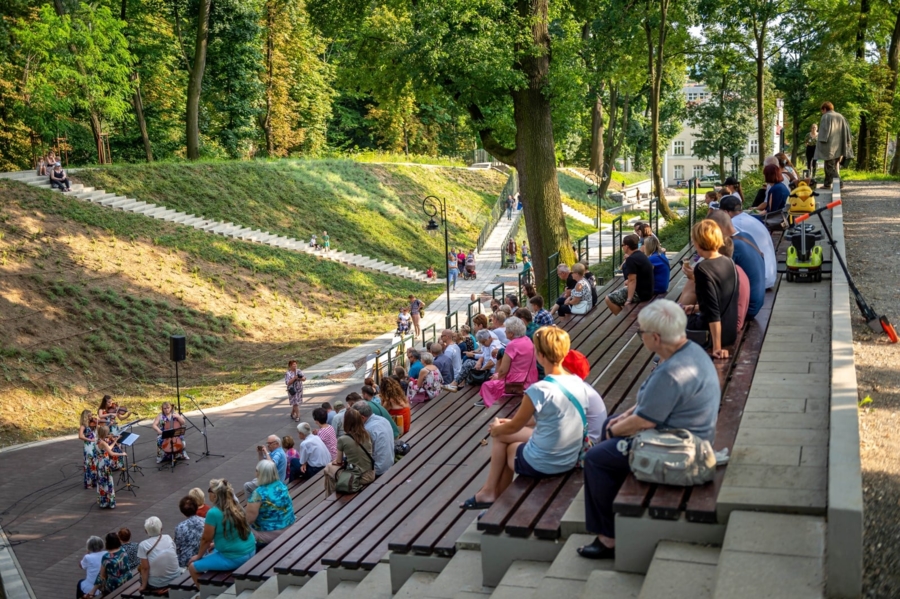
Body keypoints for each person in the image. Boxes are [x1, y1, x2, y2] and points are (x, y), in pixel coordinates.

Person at [578, 300, 720, 560]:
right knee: (611, 428)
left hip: (679, 447)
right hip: (692, 434)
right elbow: (650, 404)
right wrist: (620, 419)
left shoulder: (671, 372)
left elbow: (646, 420)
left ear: (655, 337)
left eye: (640, 332)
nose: (640, 335)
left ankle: (608, 538)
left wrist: (612, 431)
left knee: (596, 459)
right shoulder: (690, 352)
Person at [460, 327, 593, 509]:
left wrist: (498, 428)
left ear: (540, 355)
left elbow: (514, 427)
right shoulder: (579, 383)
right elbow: (549, 417)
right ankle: (492, 495)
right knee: (509, 441)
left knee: (503, 439)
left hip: (548, 462)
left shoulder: (539, 390)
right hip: (570, 456)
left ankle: (490, 493)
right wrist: (507, 424)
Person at [682, 221, 739, 357]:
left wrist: (717, 347)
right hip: (730, 331)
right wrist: (695, 308)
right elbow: (722, 300)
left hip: (710, 335)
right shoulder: (729, 261)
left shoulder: (702, 268)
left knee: (667, 322)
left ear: (698, 242)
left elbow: (713, 312)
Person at [188, 479, 256, 585]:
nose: (208, 492)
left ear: (215, 495)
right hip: (251, 549)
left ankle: (204, 595)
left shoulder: (213, 513)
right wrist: (215, 544)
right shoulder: (235, 505)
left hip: (235, 557)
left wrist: (198, 556)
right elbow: (234, 530)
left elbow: (206, 539)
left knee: (192, 567)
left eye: (209, 490)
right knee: (213, 550)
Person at [706, 210, 765, 320]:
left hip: (748, 308)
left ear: (718, 228)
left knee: (696, 284)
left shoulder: (734, 246)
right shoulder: (746, 236)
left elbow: (718, 277)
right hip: (757, 303)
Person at [476, 317, 538, 408]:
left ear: (511, 333)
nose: (504, 332)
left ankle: (490, 402)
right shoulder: (527, 340)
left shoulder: (512, 345)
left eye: (506, 330)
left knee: (487, 385)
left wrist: (497, 376)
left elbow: (503, 371)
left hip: (517, 382)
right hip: (530, 378)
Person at [719, 196, 777, 290]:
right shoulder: (749, 219)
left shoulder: (734, 223)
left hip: (759, 281)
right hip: (768, 276)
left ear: (726, 212)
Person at [324, 409, 376, 496]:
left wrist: (335, 462)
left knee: (328, 468)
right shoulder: (367, 434)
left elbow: (339, 461)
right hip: (370, 474)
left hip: (357, 477)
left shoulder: (343, 439)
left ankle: (330, 496)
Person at [246, 460, 296, 545]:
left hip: (268, 534)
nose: (255, 473)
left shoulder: (258, 493)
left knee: (235, 529)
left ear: (261, 473)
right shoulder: (281, 485)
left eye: (257, 471)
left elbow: (248, 520)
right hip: (289, 526)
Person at [605, 235, 653, 316]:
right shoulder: (641, 255)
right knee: (623, 289)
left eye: (622, 245)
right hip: (649, 291)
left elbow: (632, 280)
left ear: (627, 246)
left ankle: (622, 319)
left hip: (640, 294)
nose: (622, 247)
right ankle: (626, 315)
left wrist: (629, 300)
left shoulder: (631, 259)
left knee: (608, 298)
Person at [137, 517, 183, 594]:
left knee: (140, 577)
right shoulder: (168, 538)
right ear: (161, 529)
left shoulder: (143, 545)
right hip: (175, 577)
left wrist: (143, 586)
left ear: (146, 531)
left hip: (157, 584)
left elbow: (145, 568)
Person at [814, 101, 853, 189]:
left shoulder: (826, 116)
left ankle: (839, 183)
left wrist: (820, 145)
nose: (822, 112)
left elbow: (824, 133)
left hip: (829, 146)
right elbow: (847, 132)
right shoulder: (840, 116)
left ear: (824, 109)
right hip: (840, 146)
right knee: (831, 165)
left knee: (830, 166)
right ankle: (827, 184)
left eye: (822, 110)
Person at [352, 402, 395, 476]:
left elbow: (360, 455)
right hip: (389, 463)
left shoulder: (367, 430)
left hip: (377, 470)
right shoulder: (383, 420)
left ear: (362, 418)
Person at [719, 238, 750, 332]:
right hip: (737, 320)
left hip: (730, 326)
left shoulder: (723, 273)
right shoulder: (737, 268)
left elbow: (714, 309)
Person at [95, 425, 126, 509]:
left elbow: (108, 448)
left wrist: (115, 440)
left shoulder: (98, 440)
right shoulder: (103, 442)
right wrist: (122, 454)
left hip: (100, 462)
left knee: (102, 482)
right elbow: (111, 453)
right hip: (105, 463)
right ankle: (109, 502)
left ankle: (104, 501)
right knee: (108, 481)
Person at [174, 496, 206, 568]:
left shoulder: (179, 527)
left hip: (186, 562)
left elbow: (178, 548)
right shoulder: (205, 521)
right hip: (204, 557)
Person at [77, 410, 98, 489]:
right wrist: (90, 440)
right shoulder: (83, 426)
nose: (91, 417)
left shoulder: (91, 424)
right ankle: (88, 483)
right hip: (88, 446)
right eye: (89, 416)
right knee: (89, 463)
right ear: (85, 417)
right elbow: (80, 436)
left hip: (94, 445)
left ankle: (94, 481)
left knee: (94, 463)